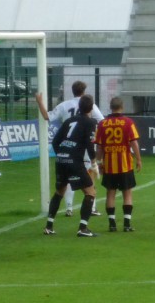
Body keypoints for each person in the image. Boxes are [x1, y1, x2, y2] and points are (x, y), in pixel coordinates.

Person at [36, 81, 105, 217]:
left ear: (72, 91)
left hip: (67, 146)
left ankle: (69, 207)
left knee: (67, 178)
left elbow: (47, 116)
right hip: (84, 144)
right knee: (89, 174)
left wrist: (39, 101)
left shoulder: (64, 105)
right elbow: (102, 121)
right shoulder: (90, 104)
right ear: (84, 91)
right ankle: (92, 207)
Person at [45, 94, 99, 237]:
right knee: (91, 192)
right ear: (91, 108)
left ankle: (49, 226)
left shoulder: (69, 120)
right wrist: (94, 162)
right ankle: (83, 228)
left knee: (59, 191)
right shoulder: (90, 122)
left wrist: (62, 154)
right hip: (75, 161)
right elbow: (89, 144)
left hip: (61, 159)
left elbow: (55, 141)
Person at [95, 96, 142, 232]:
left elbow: (99, 147)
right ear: (122, 107)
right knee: (127, 193)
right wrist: (138, 159)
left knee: (110, 193)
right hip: (125, 164)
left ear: (110, 107)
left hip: (109, 165)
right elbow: (134, 142)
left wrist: (99, 162)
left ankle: (112, 224)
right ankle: (127, 224)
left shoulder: (102, 124)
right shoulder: (128, 122)